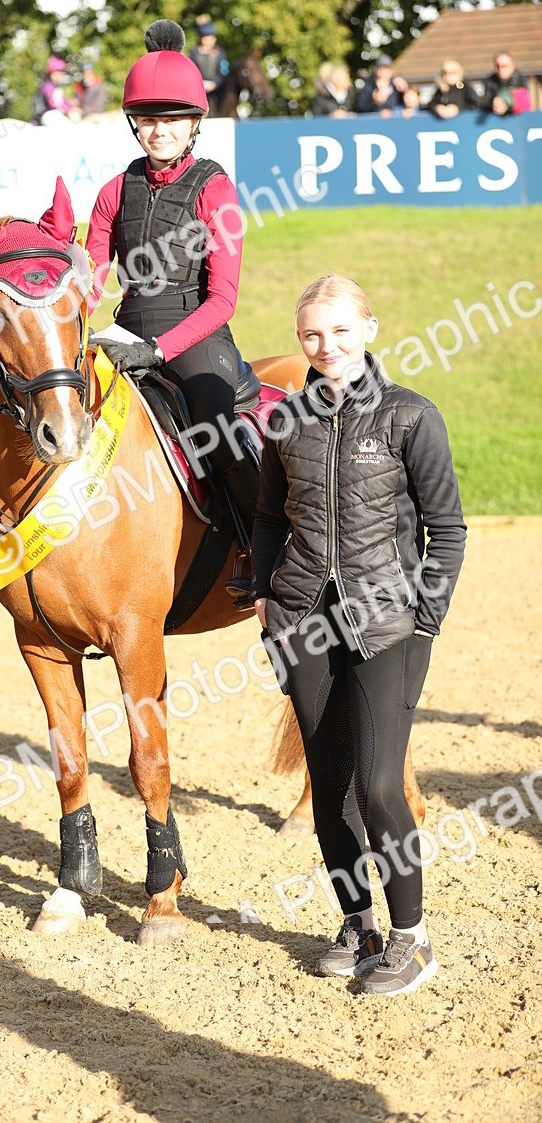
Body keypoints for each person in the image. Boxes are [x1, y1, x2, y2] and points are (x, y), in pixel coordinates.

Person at [252, 274, 466, 996]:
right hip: (305, 620)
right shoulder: (285, 423)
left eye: (341, 330)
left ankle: (413, 938)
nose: (327, 346)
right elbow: (268, 520)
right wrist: (266, 600)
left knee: (379, 785)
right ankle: (359, 924)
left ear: (369, 330)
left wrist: (424, 619)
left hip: (389, 625)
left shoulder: (411, 417)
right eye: (312, 334)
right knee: (330, 786)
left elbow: (449, 532)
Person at [87, 19, 257, 599]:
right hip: (125, 330)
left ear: (194, 124)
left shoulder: (216, 189)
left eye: (173, 119)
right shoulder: (114, 191)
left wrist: (157, 350)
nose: (160, 130)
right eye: (150, 119)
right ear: (135, 123)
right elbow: (92, 280)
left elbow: (224, 298)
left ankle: (259, 545)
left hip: (195, 336)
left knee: (214, 421)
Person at [187, 16, 230, 118]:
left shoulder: (220, 52)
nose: (208, 40)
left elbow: (224, 70)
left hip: (217, 90)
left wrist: (215, 83)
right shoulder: (194, 52)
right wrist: (201, 83)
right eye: (205, 37)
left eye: (210, 38)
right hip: (199, 89)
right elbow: (191, 70)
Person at [33, 56, 82, 125]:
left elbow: (63, 101)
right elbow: (53, 104)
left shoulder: (56, 87)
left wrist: (72, 107)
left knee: (75, 116)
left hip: (57, 113)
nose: (61, 75)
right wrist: (68, 109)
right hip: (47, 115)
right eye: (58, 73)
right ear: (52, 73)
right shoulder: (47, 86)